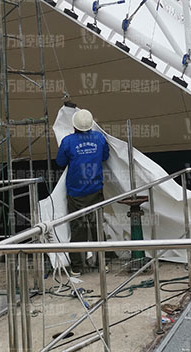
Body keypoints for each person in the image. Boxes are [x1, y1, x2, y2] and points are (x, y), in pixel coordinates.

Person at [55, 108, 110, 275]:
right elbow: (105, 156)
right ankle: (102, 263)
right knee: (97, 227)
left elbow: (60, 161)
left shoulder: (68, 141)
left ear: (74, 126)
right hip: (95, 189)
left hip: (76, 192)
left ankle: (78, 267)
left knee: (78, 229)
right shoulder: (99, 138)